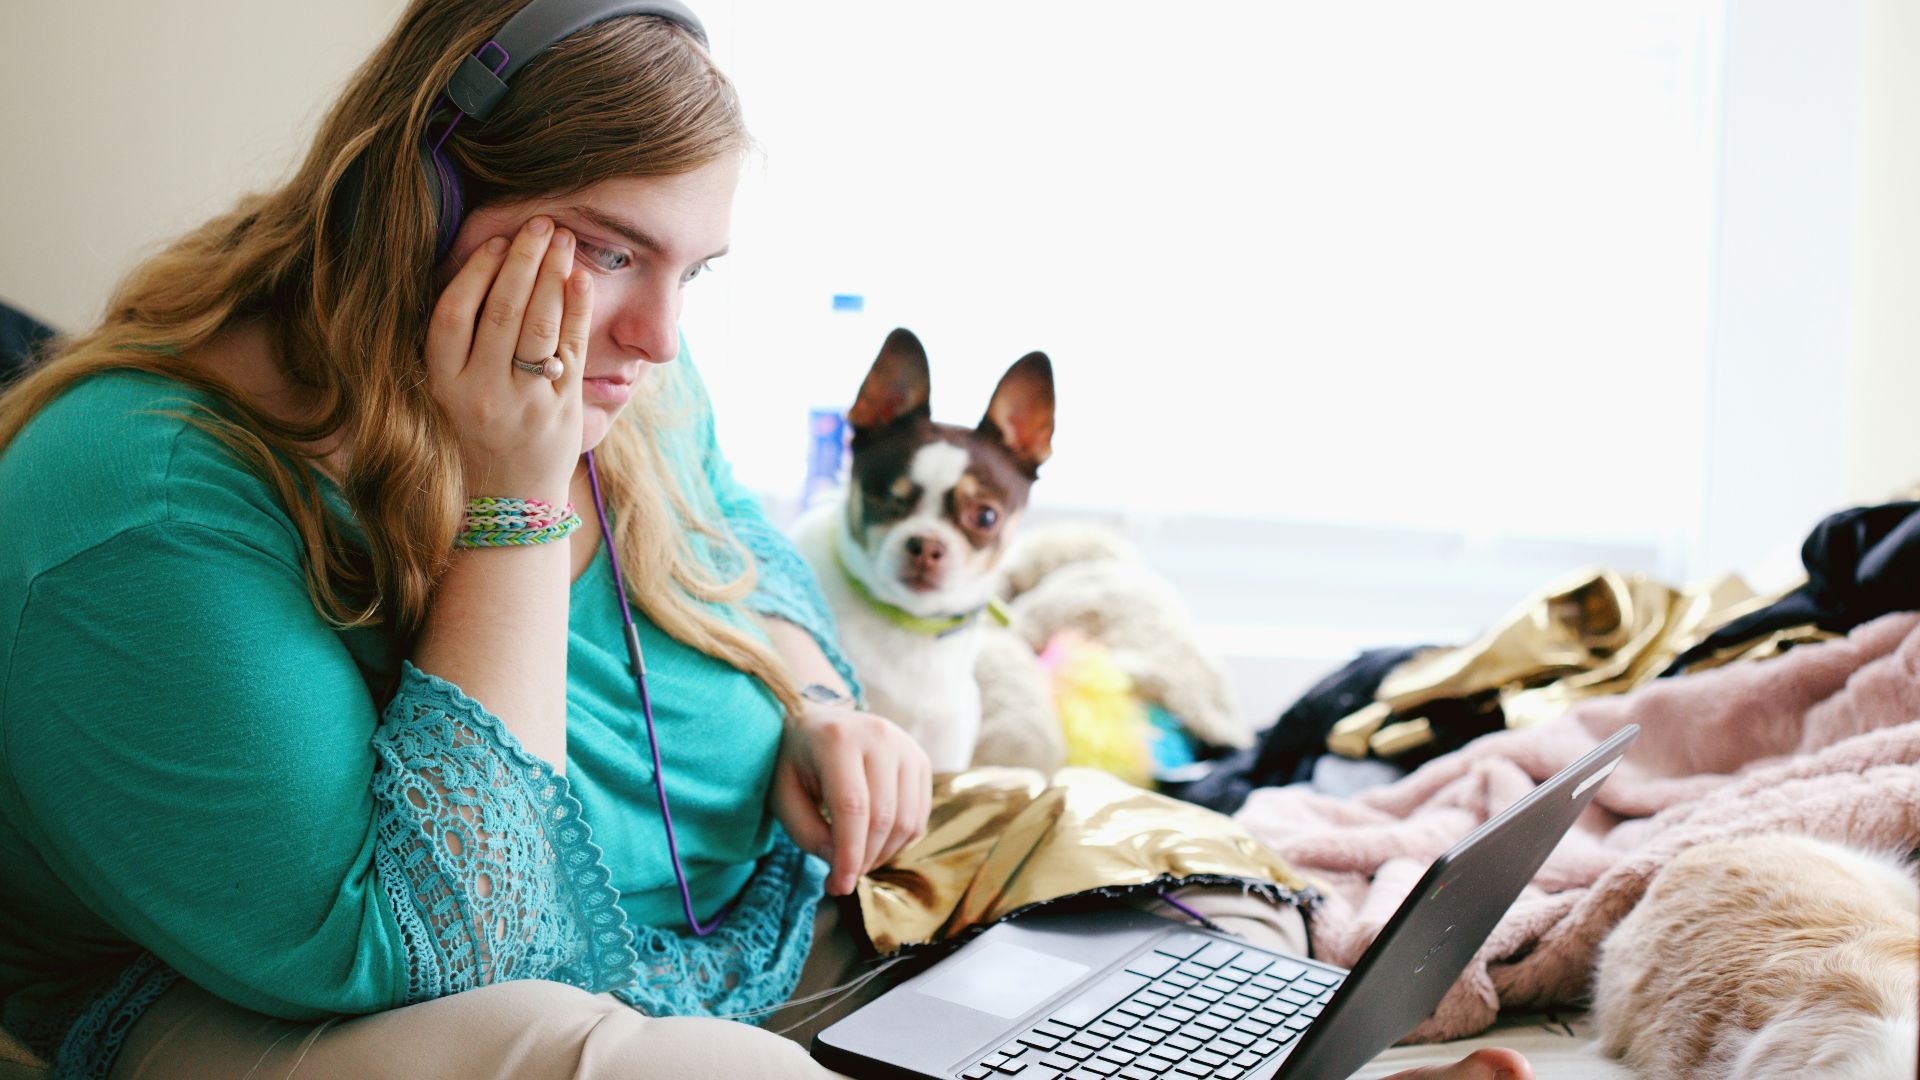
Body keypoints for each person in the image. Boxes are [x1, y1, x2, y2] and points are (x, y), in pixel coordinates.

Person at [0, 3, 1537, 1077]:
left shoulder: (623, 364)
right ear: (420, 198)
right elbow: (448, 947)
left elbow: (746, 549)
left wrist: (815, 702)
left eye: (695, 271)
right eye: (611, 252)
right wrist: (514, 500)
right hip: (357, 1006)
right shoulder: (141, 497)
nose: (660, 337)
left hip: (752, 919)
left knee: (1180, 891)